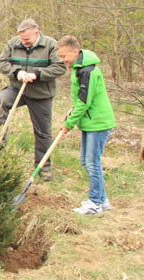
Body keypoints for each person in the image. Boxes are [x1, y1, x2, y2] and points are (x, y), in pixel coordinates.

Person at [0, 19, 66, 181]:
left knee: (42, 131)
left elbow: (60, 67)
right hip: (17, 89)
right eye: (21, 39)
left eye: (27, 39)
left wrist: (37, 74)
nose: (23, 42)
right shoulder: (13, 43)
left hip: (41, 94)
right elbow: (2, 62)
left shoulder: (51, 45)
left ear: (36, 33)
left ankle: (43, 166)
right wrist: (16, 72)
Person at [56, 35, 116, 215]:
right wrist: (72, 110)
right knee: (86, 161)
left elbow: (84, 102)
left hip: (98, 123)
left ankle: (95, 203)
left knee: (92, 162)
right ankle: (102, 200)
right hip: (90, 122)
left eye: (64, 56)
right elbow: (81, 98)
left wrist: (68, 124)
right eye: (60, 57)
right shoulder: (78, 68)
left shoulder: (87, 71)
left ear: (75, 51)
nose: (62, 60)